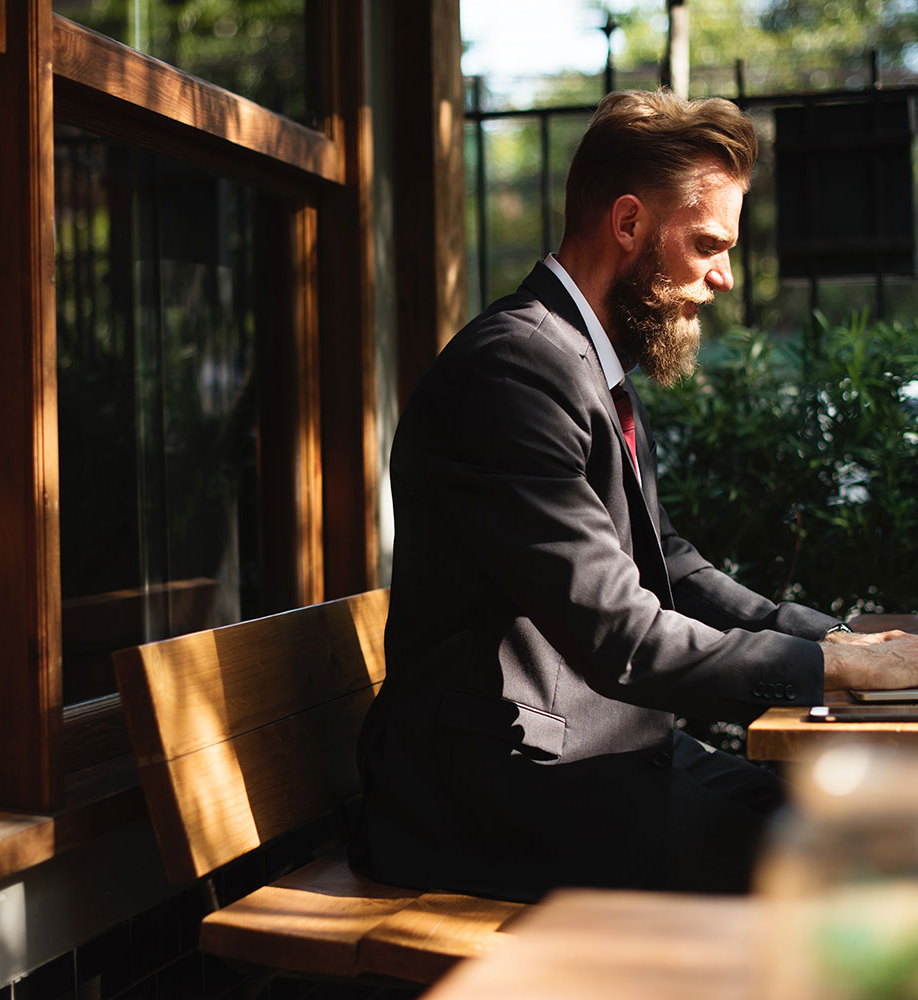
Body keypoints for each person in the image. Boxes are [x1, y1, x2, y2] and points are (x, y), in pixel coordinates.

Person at [355, 89, 918, 900]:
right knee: (859, 868)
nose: (724, 278)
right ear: (629, 225)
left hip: (595, 759)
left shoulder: (581, 358)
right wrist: (830, 668)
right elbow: (623, 635)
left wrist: (838, 641)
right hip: (501, 794)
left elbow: (671, 566)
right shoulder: (513, 370)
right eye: (709, 244)